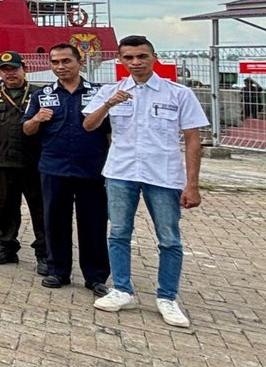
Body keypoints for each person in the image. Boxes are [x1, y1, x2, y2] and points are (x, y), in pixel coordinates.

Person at [84, 36, 209, 327]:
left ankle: (167, 297)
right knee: (118, 233)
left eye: (141, 56)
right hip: (121, 172)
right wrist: (108, 105)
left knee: (168, 238)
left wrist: (192, 184)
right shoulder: (110, 91)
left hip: (162, 175)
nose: (136, 62)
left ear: (154, 57)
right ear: (121, 61)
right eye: (129, 57)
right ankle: (122, 289)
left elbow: (193, 141)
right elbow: (88, 125)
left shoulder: (178, 94)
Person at [24, 43, 111, 295]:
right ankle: (57, 271)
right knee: (55, 222)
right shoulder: (41, 95)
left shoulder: (99, 93)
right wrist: (36, 119)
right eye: (55, 62)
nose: (60, 67)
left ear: (79, 62)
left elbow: (110, 132)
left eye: (65, 61)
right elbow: (26, 129)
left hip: (91, 169)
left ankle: (95, 276)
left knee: (93, 224)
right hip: (54, 168)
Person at [0, 52, 47, 268]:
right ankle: (6, 246)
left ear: (24, 69)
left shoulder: (38, 94)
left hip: (33, 161)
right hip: (2, 160)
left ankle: (44, 252)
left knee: (39, 208)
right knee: (4, 207)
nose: (10, 73)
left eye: (14, 68)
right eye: (5, 70)